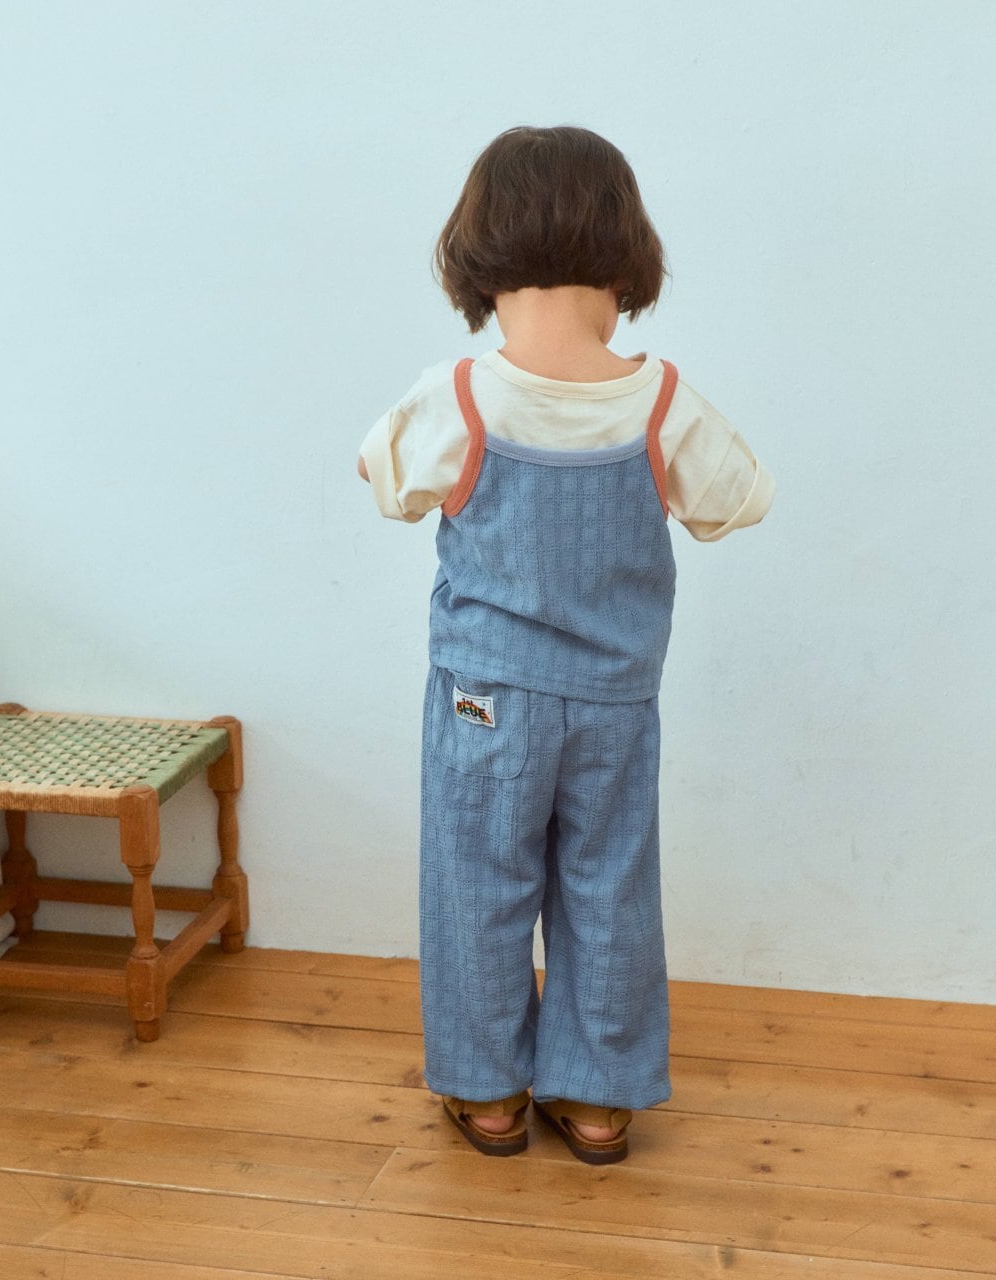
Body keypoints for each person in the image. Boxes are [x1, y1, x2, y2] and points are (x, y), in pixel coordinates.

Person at [357, 125, 774, 1164]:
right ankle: (595, 1098)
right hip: (613, 704)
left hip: (484, 699)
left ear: (480, 258)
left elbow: (383, 479)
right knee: (607, 885)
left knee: (476, 882)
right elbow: (740, 500)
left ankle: (490, 1090)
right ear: (624, 255)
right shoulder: (661, 403)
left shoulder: (461, 396)